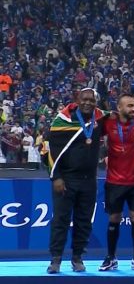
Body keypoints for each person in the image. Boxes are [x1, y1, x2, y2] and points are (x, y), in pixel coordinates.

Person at [46, 88, 106, 274]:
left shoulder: (100, 118)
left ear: (96, 103)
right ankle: (55, 259)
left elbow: (122, 114)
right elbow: (49, 150)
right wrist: (56, 177)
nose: (88, 103)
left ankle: (77, 257)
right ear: (77, 100)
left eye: (92, 100)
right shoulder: (62, 121)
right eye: (84, 99)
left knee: (84, 221)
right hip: (66, 179)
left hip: (89, 181)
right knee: (60, 220)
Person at [100, 94, 134, 271]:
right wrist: (107, 114)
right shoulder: (109, 123)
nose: (133, 109)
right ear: (119, 108)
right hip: (114, 181)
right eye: (129, 106)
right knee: (114, 218)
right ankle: (111, 257)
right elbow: (93, 126)